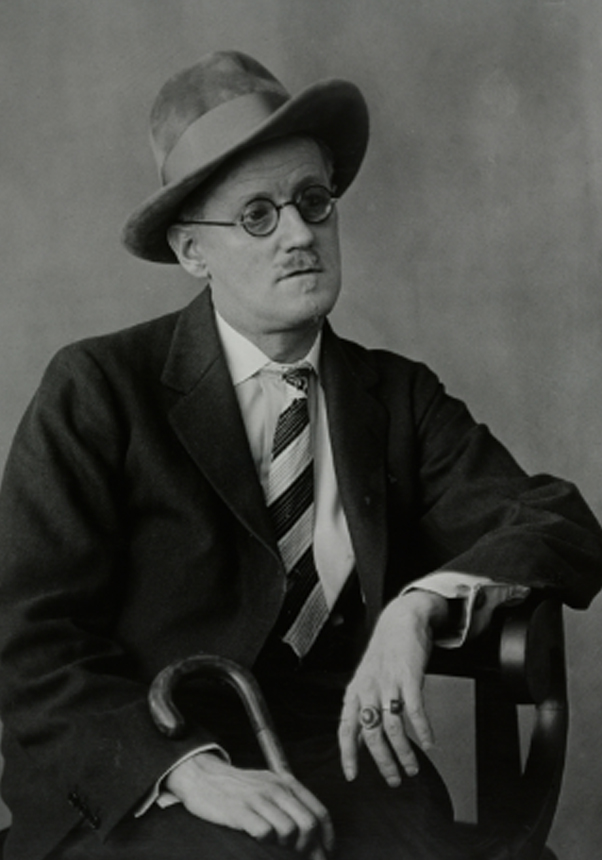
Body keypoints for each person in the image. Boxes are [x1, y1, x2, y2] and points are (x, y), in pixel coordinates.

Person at [0, 50, 600, 860]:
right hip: (147, 780)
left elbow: (555, 520)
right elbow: (25, 636)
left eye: (314, 202)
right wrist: (186, 771)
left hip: (343, 771)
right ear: (192, 251)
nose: (299, 235)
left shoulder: (395, 399)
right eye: (258, 215)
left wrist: (418, 606)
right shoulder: (99, 389)